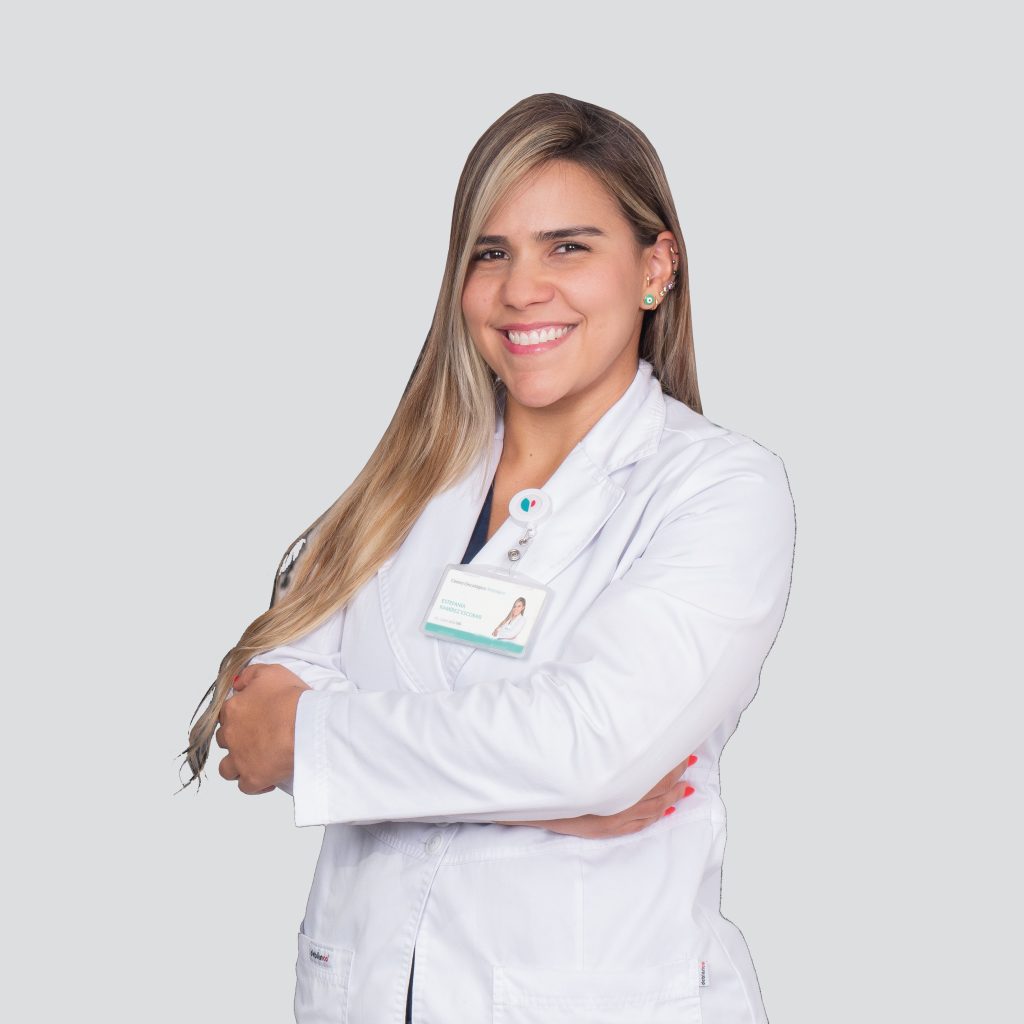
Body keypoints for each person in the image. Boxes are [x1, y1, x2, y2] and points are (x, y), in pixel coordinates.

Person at [181, 93, 796, 1023]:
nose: (522, 290)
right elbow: (257, 719)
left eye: (568, 247)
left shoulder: (719, 489)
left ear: (655, 267)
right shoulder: (400, 485)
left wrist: (328, 741)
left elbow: (592, 746)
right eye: (490, 253)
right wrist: (545, 793)